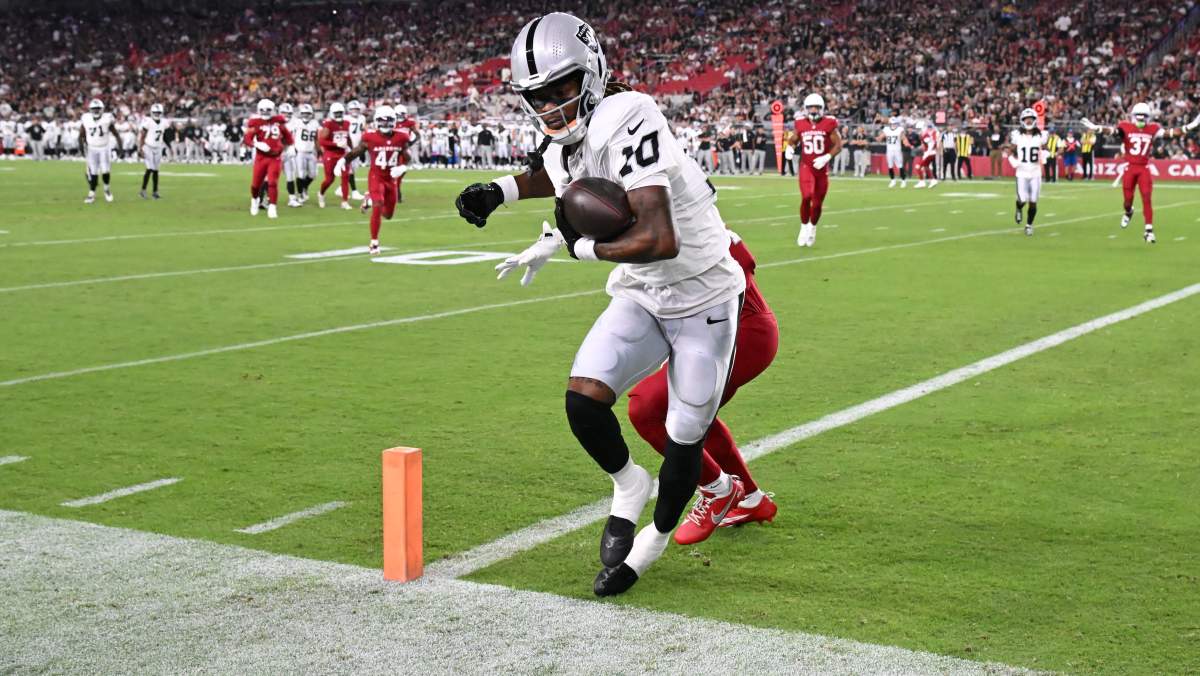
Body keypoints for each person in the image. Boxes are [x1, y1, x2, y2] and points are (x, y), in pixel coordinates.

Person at [455, 12, 746, 597]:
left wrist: (576, 246)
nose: (551, 106)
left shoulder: (628, 113)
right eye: (538, 96)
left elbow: (660, 238)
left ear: (591, 75)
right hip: (642, 289)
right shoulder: (571, 136)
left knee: (683, 435)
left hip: (703, 294)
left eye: (562, 88)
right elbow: (559, 171)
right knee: (583, 400)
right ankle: (628, 484)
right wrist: (500, 190)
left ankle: (651, 544)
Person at [627, 228, 778, 544]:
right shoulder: (663, 224)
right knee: (696, 419)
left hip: (739, 333)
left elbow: (743, 262)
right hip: (711, 334)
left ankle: (716, 490)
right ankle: (751, 499)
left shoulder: (693, 225)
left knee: (647, 408)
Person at [1082, 103, 1200, 243]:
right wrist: (1097, 128)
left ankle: (1148, 230)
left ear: (1147, 117)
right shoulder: (1125, 126)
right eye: (1139, 116)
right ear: (1134, 116)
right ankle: (1129, 211)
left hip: (1143, 168)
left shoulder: (1153, 128)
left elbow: (1172, 132)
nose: (1141, 119)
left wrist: (1191, 125)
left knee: (1146, 197)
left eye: (1143, 116)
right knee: (1127, 201)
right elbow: (1112, 131)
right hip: (1130, 168)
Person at [338, 106, 413, 254]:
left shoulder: (401, 137)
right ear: (376, 121)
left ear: (394, 121)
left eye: (388, 121)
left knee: (388, 215)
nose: (385, 124)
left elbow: (408, 157)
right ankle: (374, 242)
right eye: (382, 121)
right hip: (376, 177)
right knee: (378, 205)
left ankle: (369, 200)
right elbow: (356, 151)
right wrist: (343, 160)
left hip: (391, 179)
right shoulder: (370, 137)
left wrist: (403, 167)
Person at [794, 93, 841, 247]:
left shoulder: (829, 123)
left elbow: (838, 145)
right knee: (806, 196)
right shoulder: (800, 123)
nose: (813, 110)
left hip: (821, 168)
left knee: (817, 204)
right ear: (806, 109)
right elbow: (794, 138)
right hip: (806, 165)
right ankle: (803, 227)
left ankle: (812, 227)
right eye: (811, 107)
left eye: (816, 107)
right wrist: (789, 147)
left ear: (822, 108)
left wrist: (827, 157)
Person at [242, 98, 294, 219]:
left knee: (272, 182)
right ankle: (254, 200)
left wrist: (291, 146)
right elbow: (247, 139)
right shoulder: (255, 122)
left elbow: (288, 136)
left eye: (268, 110)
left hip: (275, 157)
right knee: (255, 185)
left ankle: (272, 207)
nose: (265, 112)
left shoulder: (278, 121)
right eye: (263, 110)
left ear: (273, 110)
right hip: (261, 157)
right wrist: (256, 144)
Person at [1004, 108, 1047, 236]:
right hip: (1021, 172)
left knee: (1033, 201)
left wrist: (1046, 154)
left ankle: (1029, 225)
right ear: (1022, 121)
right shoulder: (1017, 135)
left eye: (1030, 119)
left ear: (1035, 120)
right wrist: (1012, 160)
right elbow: (1009, 150)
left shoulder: (1041, 135)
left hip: (1035, 172)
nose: (1028, 121)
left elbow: (1046, 149)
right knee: (1022, 199)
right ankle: (1018, 208)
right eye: (1026, 119)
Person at [79, 99, 120, 204]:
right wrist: (81, 147)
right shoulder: (86, 119)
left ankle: (107, 190)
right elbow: (81, 134)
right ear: (90, 109)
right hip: (92, 148)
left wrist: (120, 146)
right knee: (93, 172)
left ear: (102, 109)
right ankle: (91, 194)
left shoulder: (107, 118)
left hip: (104, 148)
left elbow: (115, 133)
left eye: (98, 109)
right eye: (94, 109)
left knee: (105, 171)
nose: (96, 111)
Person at [317, 102, 352, 209]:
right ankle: (321, 194)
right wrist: (336, 144)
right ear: (332, 113)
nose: (338, 115)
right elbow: (321, 141)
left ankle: (344, 202)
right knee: (329, 179)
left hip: (342, 154)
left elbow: (348, 138)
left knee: (345, 177)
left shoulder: (347, 123)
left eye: (340, 113)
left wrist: (352, 149)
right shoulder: (328, 124)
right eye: (336, 113)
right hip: (330, 154)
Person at [138, 103, 169, 199]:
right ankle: (143, 190)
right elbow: (142, 135)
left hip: (158, 147)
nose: (157, 114)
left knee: (156, 170)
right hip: (148, 147)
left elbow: (164, 135)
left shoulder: (164, 122)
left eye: (158, 112)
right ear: (152, 112)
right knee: (149, 168)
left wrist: (169, 146)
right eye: (155, 112)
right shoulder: (148, 122)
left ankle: (155, 192)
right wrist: (140, 148)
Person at [345, 100, 368, 201]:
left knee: (353, 169)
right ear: (349, 110)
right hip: (348, 147)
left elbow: (363, 131)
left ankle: (341, 188)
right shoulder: (345, 118)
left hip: (358, 146)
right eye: (353, 109)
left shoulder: (362, 118)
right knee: (350, 170)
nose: (355, 111)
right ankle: (354, 191)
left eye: (356, 109)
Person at [879, 116, 908, 187]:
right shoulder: (886, 129)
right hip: (889, 150)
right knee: (890, 166)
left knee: (900, 166)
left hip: (897, 150)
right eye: (892, 123)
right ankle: (892, 180)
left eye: (895, 123)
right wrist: (879, 137)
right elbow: (881, 136)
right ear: (890, 123)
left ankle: (903, 180)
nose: (894, 125)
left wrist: (905, 142)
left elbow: (903, 137)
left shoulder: (900, 129)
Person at [913, 120, 938, 188]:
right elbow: (927, 144)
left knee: (918, 167)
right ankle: (933, 180)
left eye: (919, 129)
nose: (917, 130)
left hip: (929, 153)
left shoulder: (925, 135)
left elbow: (931, 144)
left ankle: (922, 182)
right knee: (926, 167)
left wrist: (927, 153)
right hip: (931, 153)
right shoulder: (925, 134)